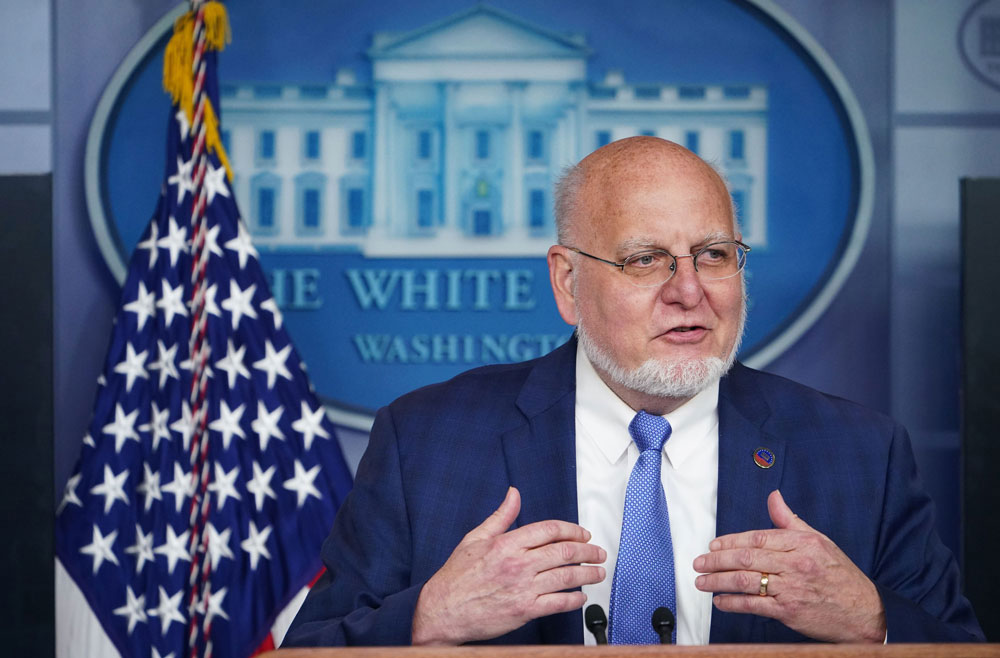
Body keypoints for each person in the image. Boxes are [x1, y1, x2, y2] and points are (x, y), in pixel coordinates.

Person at [283, 137, 983, 646]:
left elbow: (959, 644)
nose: (689, 291)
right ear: (567, 283)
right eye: (645, 259)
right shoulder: (427, 442)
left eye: (713, 255)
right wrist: (429, 619)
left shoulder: (860, 452)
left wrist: (875, 622)